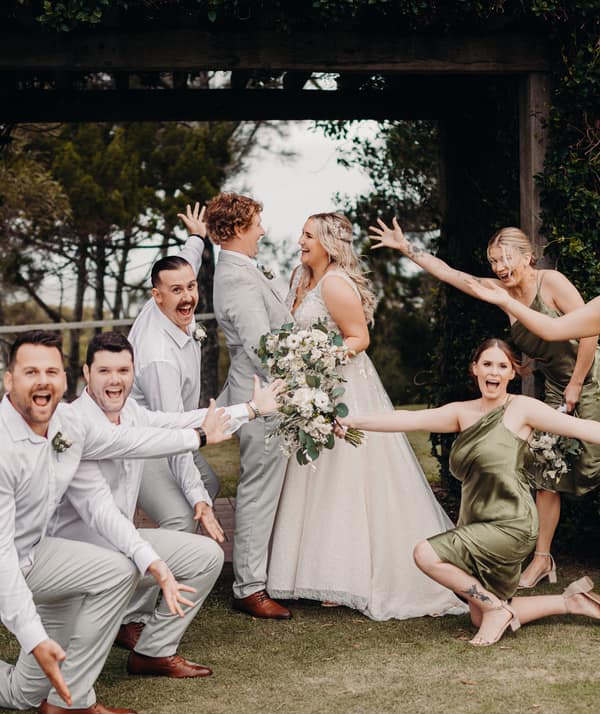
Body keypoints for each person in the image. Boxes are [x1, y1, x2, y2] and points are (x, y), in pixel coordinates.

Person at [0, 330, 227, 714]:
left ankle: (124, 667)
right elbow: (3, 562)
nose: (42, 381)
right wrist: (34, 637)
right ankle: (72, 702)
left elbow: (110, 482)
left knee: (23, 693)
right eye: (30, 371)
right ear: (8, 380)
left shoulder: (67, 425)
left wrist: (153, 563)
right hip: (16, 565)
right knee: (114, 572)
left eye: (51, 371)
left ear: (65, 379)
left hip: (42, 553)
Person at [370, 219, 600, 589]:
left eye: (506, 259)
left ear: (529, 257)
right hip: (557, 386)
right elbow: (451, 274)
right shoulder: (498, 290)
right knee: (546, 472)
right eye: (494, 261)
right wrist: (406, 249)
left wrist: (576, 384)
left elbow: (590, 333)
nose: (499, 268)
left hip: (590, 378)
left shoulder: (552, 283)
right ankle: (542, 559)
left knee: (592, 461)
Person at [266, 212, 465, 621]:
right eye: (301, 233)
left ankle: (345, 576)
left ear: (327, 242)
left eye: (308, 235)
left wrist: (320, 358)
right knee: (312, 474)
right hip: (309, 388)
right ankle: (308, 569)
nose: (300, 241)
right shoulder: (297, 278)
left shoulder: (336, 284)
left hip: (342, 387)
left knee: (345, 475)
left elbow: (360, 337)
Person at [336, 339, 600, 645]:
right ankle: (570, 602)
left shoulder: (522, 409)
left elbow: (584, 429)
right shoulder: (462, 413)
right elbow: (409, 419)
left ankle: (494, 609)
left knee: (425, 553)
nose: (495, 372)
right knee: (476, 618)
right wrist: (353, 420)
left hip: (511, 523)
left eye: (503, 366)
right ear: (475, 369)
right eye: (487, 364)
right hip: (475, 520)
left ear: (513, 373)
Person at [49, 332, 283, 676]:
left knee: (206, 556)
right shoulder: (73, 421)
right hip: (78, 559)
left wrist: (251, 409)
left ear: (133, 373)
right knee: (40, 683)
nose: (115, 380)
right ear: (86, 373)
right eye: (104, 371)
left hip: (122, 546)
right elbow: (139, 443)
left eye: (123, 371)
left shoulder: (131, 412)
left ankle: (153, 652)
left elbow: (177, 420)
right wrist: (201, 437)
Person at [208, 192, 294, 619]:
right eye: (258, 223)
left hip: (268, 391)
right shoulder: (236, 277)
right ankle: (249, 586)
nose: (263, 230)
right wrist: (303, 369)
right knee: (258, 491)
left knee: (266, 487)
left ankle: (262, 574)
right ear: (239, 228)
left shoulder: (243, 268)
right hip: (260, 394)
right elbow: (264, 347)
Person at [129, 203, 224, 540]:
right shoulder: (159, 359)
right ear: (156, 296)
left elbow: (187, 263)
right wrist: (196, 498)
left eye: (192, 287)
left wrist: (197, 237)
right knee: (181, 517)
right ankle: (155, 585)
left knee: (210, 483)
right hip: (140, 444)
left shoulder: (175, 299)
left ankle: (183, 556)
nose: (187, 297)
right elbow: (172, 440)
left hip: (166, 432)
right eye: (176, 291)